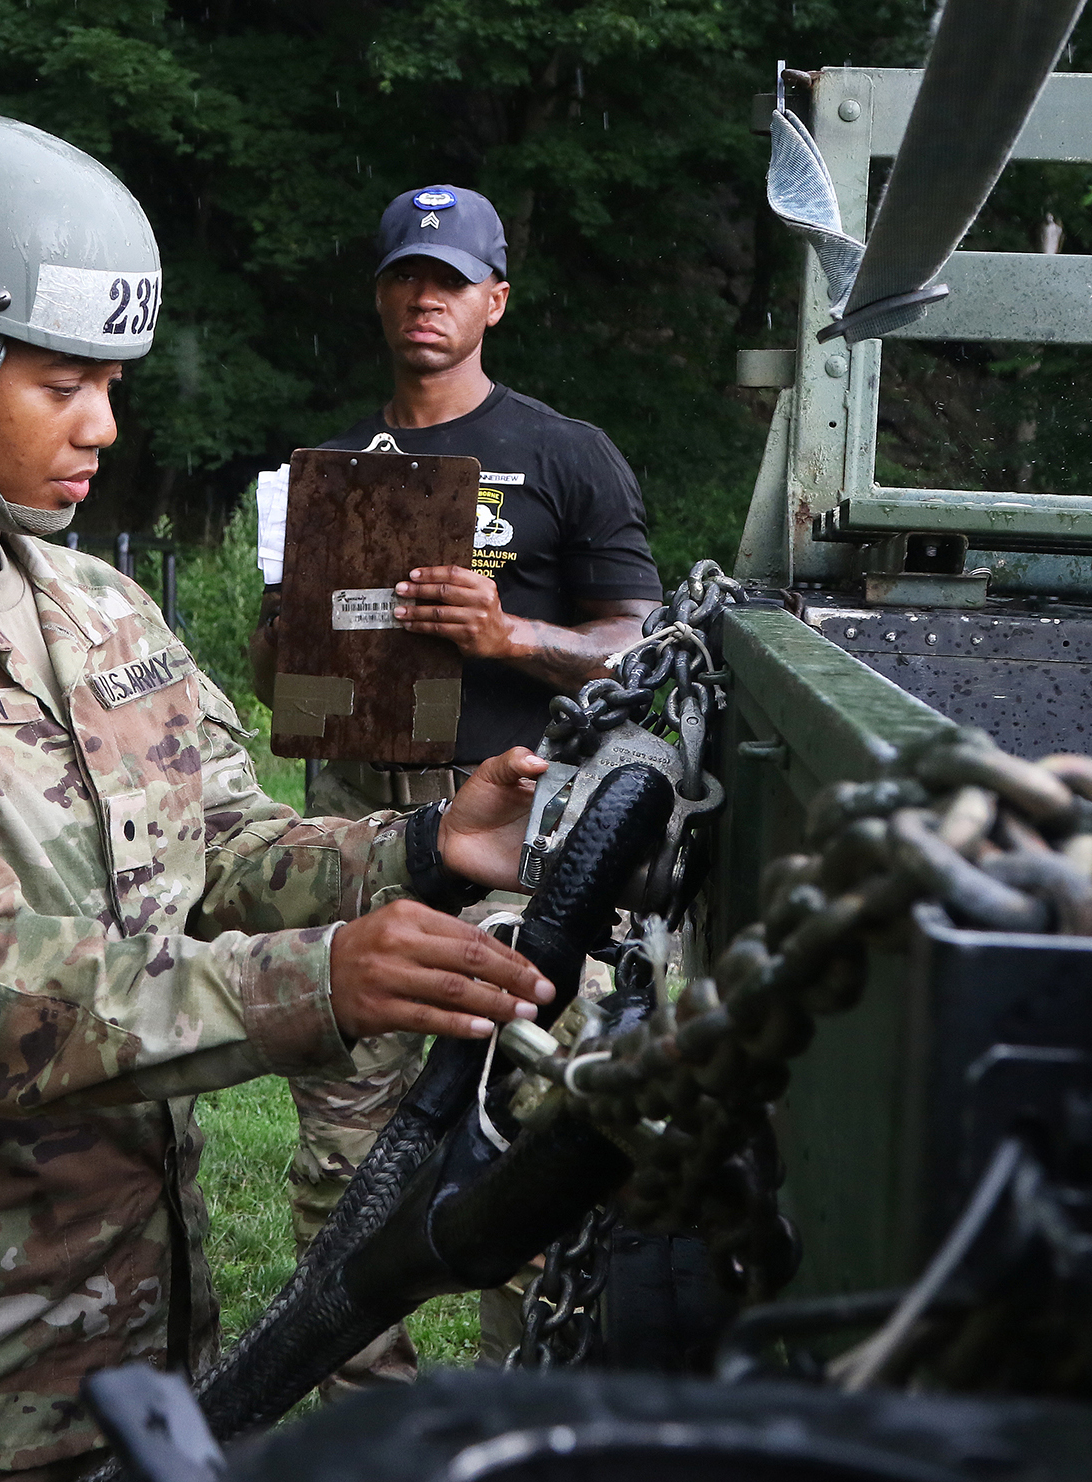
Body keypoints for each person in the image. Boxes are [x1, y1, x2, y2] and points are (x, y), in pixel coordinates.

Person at [0, 113, 556, 1482]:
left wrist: (418, 844)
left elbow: (220, 845)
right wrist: (316, 981)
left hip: (131, 1366)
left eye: (110, 382)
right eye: (62, 384)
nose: (105, 425)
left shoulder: (94, 604)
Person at [248, 184, 665, 1381]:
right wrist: (289, 625)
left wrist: (512, 637)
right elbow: (282, 678)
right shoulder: (331, 471)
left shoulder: (561, 454)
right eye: (404, 277)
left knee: (527, 1146)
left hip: (518, 828)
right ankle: (378, 1428)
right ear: (380, 293)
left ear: (495, 299)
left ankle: (510, 1421)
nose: (424, 298)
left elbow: (645, 644)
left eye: (450, 279)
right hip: (360, 823)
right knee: (342, 1156)